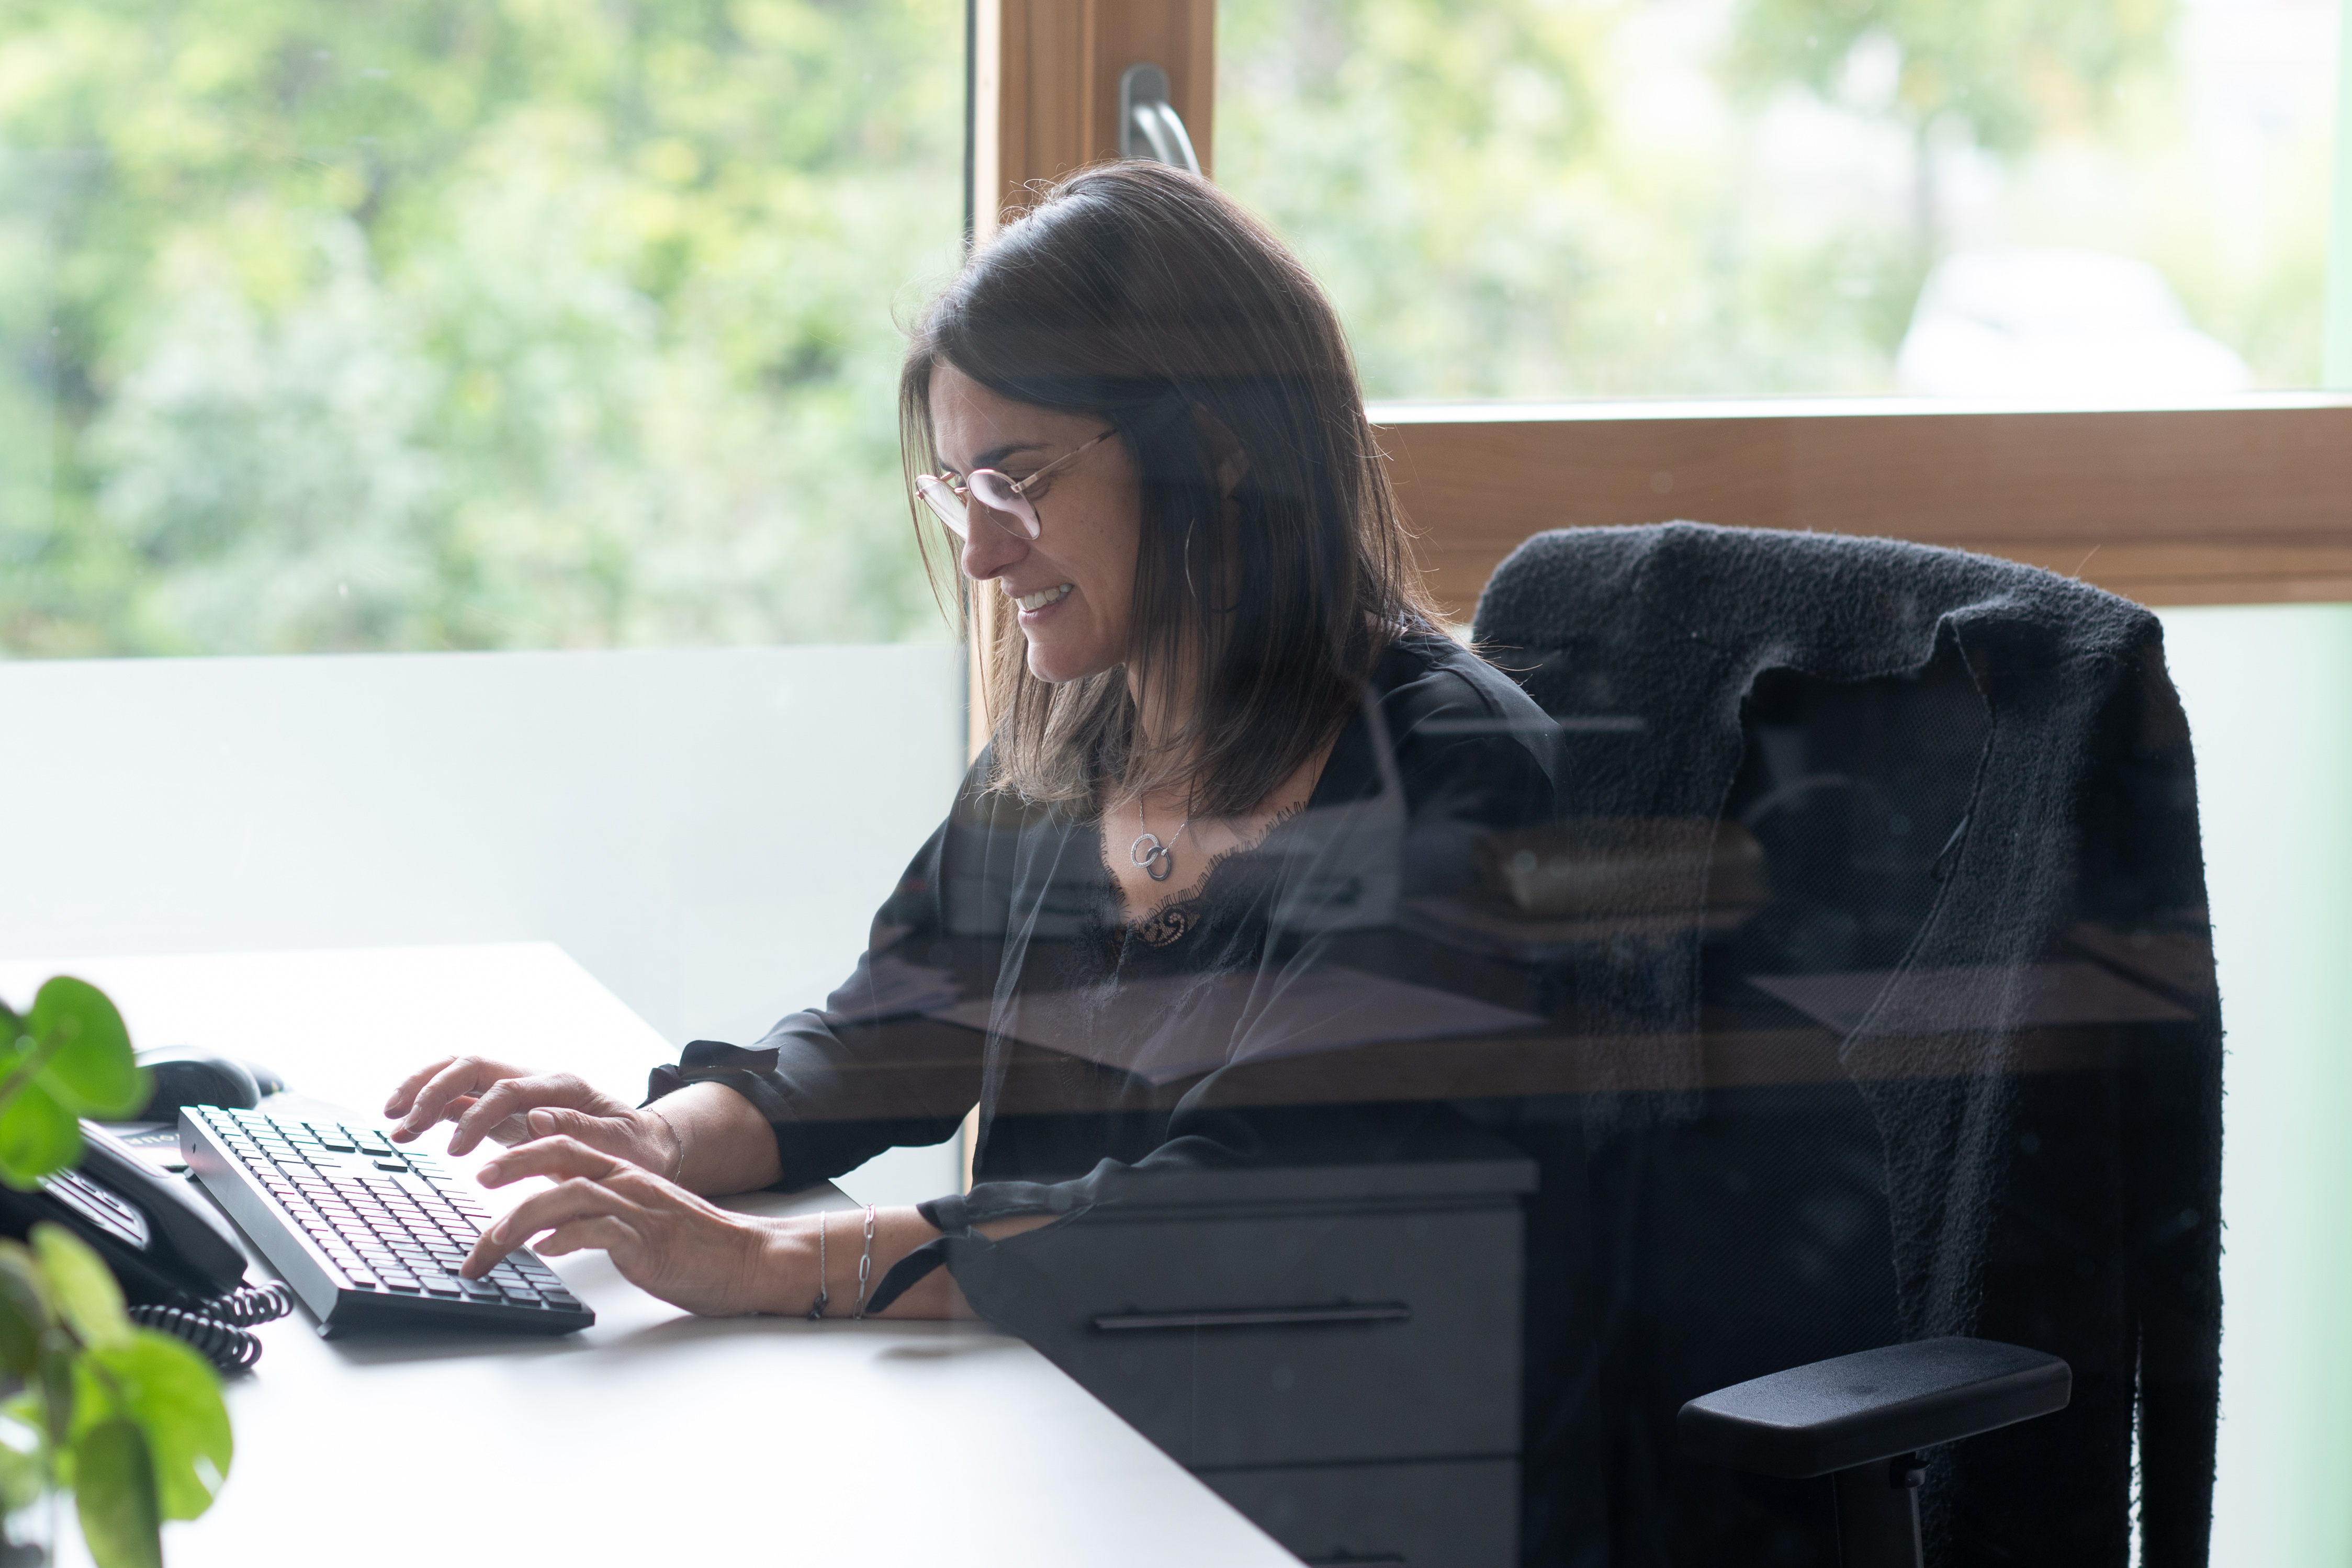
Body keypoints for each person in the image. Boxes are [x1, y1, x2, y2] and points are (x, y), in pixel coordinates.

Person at [384, 162, 1563, 1326]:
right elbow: (886, 1034)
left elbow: (1227, 1215)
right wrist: (654, 1138)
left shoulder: (1460, 771)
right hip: (1079, 1421)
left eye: (1018, 480)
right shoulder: (1065, 749)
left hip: (1325, 1491)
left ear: (1218, 448)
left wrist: (765, 1261)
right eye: (959, 492)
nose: (983, 557)